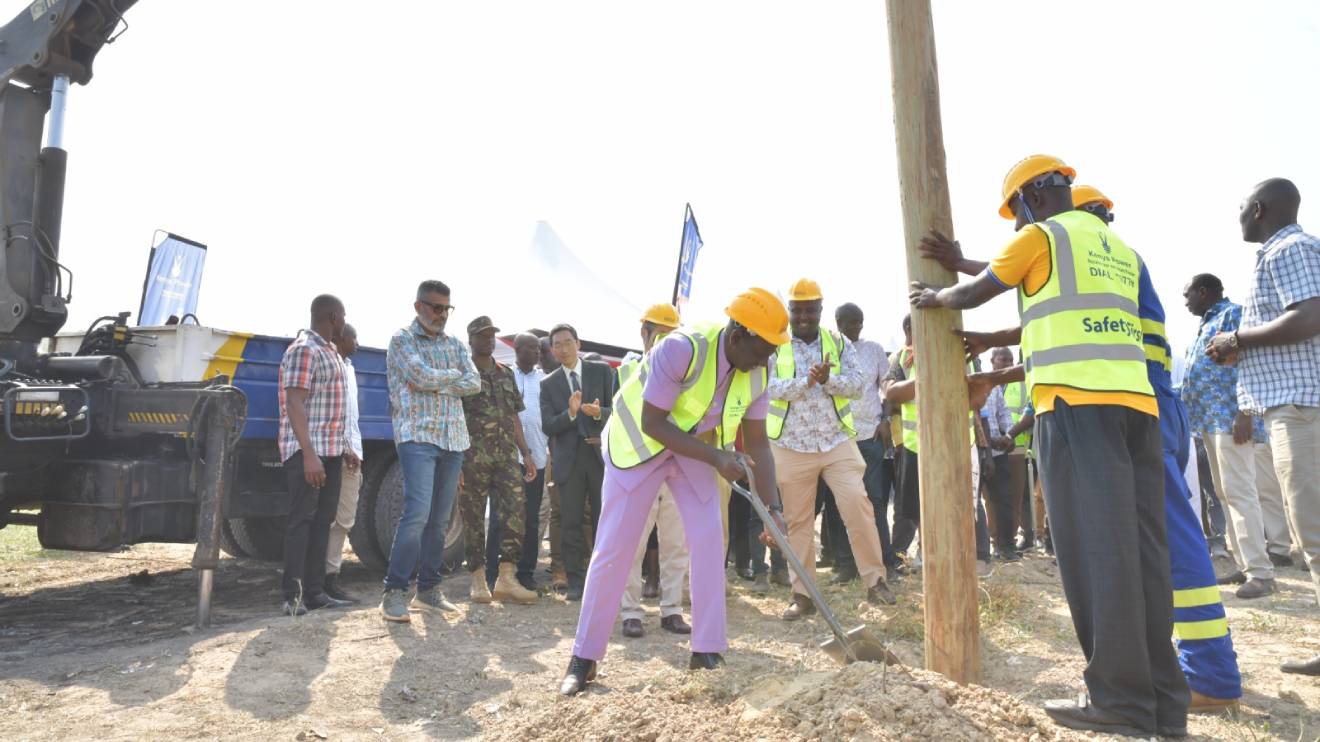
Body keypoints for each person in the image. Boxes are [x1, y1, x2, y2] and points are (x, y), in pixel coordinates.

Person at [909, 157, 1189, 737]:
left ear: (1035, 196)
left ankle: (1120, 702)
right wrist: (964, 260)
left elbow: (982, 289)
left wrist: (935, 298)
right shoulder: (1117, 249)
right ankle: (1164, 704)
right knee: (1143, 556)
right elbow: (1029, 278)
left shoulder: (1041, 237)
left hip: (1073, 409)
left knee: (1096, 553)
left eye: (1016, 211)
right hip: (1136, 409)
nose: (1017, 225)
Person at [559, 288, 788, 696]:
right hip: (639, 445)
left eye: (772, 351)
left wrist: (773, 509)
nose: (766, 359)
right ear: (738, 335)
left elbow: (758, 444)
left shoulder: (759, 371)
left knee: (707, 540)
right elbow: (653, 422)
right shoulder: (682, 348)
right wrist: (717, 458)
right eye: (763, 349)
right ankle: (584, 657)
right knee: (614, 549)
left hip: (694, 449)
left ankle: (707, 651)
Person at [1206, 178, 1320, 676]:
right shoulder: (1282, 252)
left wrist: (1238, 338)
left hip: (1302, 411)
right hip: (1291, 409)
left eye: (1241, 209)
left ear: (1258, 209)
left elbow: (1310, 316)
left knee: (1313, 532)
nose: (1238, 217)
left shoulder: (1289, 248)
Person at [769, 278, 895, 622]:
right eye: (798, 309)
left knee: (859, 504)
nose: (805, 315)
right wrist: (804, 383)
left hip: (836, 441)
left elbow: (857, 384)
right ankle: (802, 595)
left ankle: (875, 581)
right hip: (791, 445)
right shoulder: (775, 343)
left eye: (811, 309)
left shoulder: (837, 342)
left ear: (821, 310)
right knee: (798, 522)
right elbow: (765, 388)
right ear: (790, 311)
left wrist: (828, 381)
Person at [1182, 273, 1291, 596]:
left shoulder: (1234, 314)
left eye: (1188, 295)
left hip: (1231, 420)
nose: (1185, 301)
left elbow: (1251, 364)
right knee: (1225, 491)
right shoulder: (1207, 324)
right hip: (1209, 421)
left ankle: (1261, 573)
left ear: (1204, 292)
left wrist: (1245, 412)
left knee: (1240, 491)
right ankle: (1246, 566)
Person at [380, 280, 481, 623]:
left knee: (439, 521)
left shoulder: (456, 343)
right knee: (417, 515)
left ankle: (428, 590)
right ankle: (394, 592)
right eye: (435, 307)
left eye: (446, 309)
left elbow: (474, 382)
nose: (441, 315)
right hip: (418, 437)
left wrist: (441, 379)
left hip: (453, 438)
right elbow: (418, 375)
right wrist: (451, 379)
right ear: (418, 306)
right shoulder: (402, 340)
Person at [617, 304, 692, 638]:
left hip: (676, 469)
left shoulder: (688, 375)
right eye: (658, 333)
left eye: (670, 335)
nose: (663, 341)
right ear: (643, 333)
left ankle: (672, 610)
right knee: (631, 545)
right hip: (640, 470)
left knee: (676, 544)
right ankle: (630, 612)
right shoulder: (629, 368)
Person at [277, 294, 354, 616]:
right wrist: (309, 455)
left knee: (322, 521)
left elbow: (332, 408)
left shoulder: (330, 352)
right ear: (334, 317)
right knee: (302, 521)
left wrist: (345, 447)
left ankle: (315, 592)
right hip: (309, 453)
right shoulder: (304, 350)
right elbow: (294, 404)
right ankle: (292, 596)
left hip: (332, 451)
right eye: (344, 317)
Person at [458, 316, 540, 605]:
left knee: (516, 512)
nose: (489, 340)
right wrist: (456, 461)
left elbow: (513, 414)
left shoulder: (505, 373)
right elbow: (453, 417)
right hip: (473, 458)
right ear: (470, 339)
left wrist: (526, 453)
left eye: (492, 335)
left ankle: (506, 578)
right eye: (482, 336)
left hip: (506, 457)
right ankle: (478, 578)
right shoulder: (462, 372)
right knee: (473, 518)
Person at [823, 302, 899, 579]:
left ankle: (885, 562)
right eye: (851, 322)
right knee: (839, 502)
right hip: (839, 438)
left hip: (870, 436)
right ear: (838, 321)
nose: (857, 327)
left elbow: (887, 388)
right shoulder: (829, 349)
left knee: (874, 500)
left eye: (860, 322)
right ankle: (845, 565)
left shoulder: (875, 350)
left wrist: (885, 420)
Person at [541, 323, 615, 601]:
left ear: (578, 344)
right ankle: (575, 581)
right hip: (568, 460)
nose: (563, 348)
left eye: (567, 342)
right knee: (570, 522)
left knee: (602, 521)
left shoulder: (601, 371)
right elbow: (548, 426)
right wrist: (570, 414)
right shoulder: (549, 383)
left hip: (598, 455)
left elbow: (616, 412)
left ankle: (604, 580)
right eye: (557, 344)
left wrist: (599, 413)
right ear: (552, 350)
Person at [323, 323, 363, 604]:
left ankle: (328, 577)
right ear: (340, 337)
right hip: (336, 452)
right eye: (354, 336)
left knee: (344, 519)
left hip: (351, 453)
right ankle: (325, 579)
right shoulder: (331, 364)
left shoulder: (348, 367)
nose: (357, 342)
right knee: (331, 520)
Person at [513, 333, 550, 592]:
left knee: (531, 518)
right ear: (517, 349)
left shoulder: (544, 381)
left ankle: (526, 571)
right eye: (531, 347)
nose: (537, 352)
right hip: (508, 457)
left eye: (539, 348)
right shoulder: (506, 376)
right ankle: (498, 570)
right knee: (505, 517)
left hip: (536, 458)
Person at [981, 347, 1020, 561]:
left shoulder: (992, 386)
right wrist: (987, 447)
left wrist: (1008, 435)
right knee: (975, 503)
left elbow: (1003, 412)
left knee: (1004, 500)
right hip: (976, 452)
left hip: (998, 451)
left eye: (1009, 359)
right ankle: (982, 549)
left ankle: (1006, 547)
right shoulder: (969, 383)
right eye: (1001, 359)